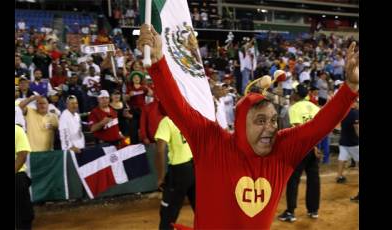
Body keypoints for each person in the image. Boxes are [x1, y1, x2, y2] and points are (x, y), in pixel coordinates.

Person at [138, 24, 359, 229]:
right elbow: (178, 107)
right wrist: (157, 62)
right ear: (242, 123)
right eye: (260, 121)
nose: (271, 127)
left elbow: (320, 125)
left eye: (273, 120)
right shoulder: (211, 142)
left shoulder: (282, 150)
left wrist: (350, 87)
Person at [278, 84, 321, 222]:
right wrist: (315, 146)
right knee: (314, 179)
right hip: (313, 147)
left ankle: (290, 212)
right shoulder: (314, 107)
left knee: (293, 180)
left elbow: (297, 129)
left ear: (296, 95)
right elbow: (321, 128)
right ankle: (313, 210)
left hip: (299, 150)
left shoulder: (294, 108)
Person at [154, 116, 195, 230]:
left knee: (168, 213)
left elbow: (160, 150)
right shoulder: (188, 117)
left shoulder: (167, 121)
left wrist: (161, 177)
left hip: (179, 171)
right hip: (195, 168)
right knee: (202, 211)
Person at [15, 125, 34, 230]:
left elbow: (22, 155)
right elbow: (22, 155)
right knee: (24, 217)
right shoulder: (17, 130)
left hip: (17, 178)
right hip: (17, 178)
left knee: (23, 217)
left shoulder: (17, 130)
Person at [336, 99, 359, 184]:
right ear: (353, 104)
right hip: (354, 142)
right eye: (356, 102)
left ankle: (339, 176)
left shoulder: (344, 112)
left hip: (343, 140)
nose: (357, 104)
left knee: (342, 158)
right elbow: (356, 127)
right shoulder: (355, 112)